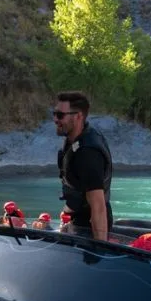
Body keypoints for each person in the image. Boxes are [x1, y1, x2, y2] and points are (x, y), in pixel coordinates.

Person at [54, 91, 113, 241]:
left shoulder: (88, 153)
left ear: (78, 116)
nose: (55, 119)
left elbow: (98, 206)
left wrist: (100, 247)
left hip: (89, 227)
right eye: (54, 113)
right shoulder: (75, 140)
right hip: (76, 220)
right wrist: (68, 210)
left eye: (60, 115)